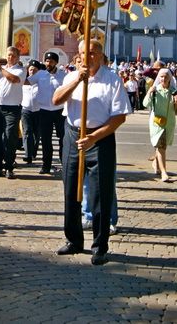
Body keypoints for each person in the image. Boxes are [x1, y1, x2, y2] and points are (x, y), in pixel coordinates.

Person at [52, 39, 129, 266]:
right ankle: (73, 240)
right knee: (70, 190)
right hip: (73, 134)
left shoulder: (112, 80)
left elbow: (119, 117)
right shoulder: (71, 77)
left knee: (100, 194)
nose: (88, 57)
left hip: (100, 138)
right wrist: (78, 79)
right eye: (84, 53)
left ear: (101, 55)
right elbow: (56, 100)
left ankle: (100, 246)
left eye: (93, 53)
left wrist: (94, 137)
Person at [0, 46, 26, 179]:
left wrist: (0, 69)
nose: (10, 57)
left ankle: (9, 166)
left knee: (10, 137)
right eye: (9, 55)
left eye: (13, 55)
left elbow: (14, 79)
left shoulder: (21, 69)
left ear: (18, 57)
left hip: (12, 108)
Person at [26, 51, 67, 174]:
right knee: (45, 139)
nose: (49, 63)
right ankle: (46, 165)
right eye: (47, 61)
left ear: (56, 62)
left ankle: (64, 164)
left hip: (59, 111)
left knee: (63, 139)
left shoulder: (63, 75)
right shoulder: (40, 74)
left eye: (51, 61)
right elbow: (26, 81)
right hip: (44, 111)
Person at [143, 68, 177, 182]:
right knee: (161, 147)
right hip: (157, 123)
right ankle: (164, 172)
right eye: (161, 76)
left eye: (166, 77)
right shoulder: (155, 90)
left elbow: (176, 110)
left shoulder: (173, 92)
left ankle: (156, 163)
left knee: (163, 146)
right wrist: (149, 92)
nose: (163, 79)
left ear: (170, 78)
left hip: (169, 123)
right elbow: (145, 104)